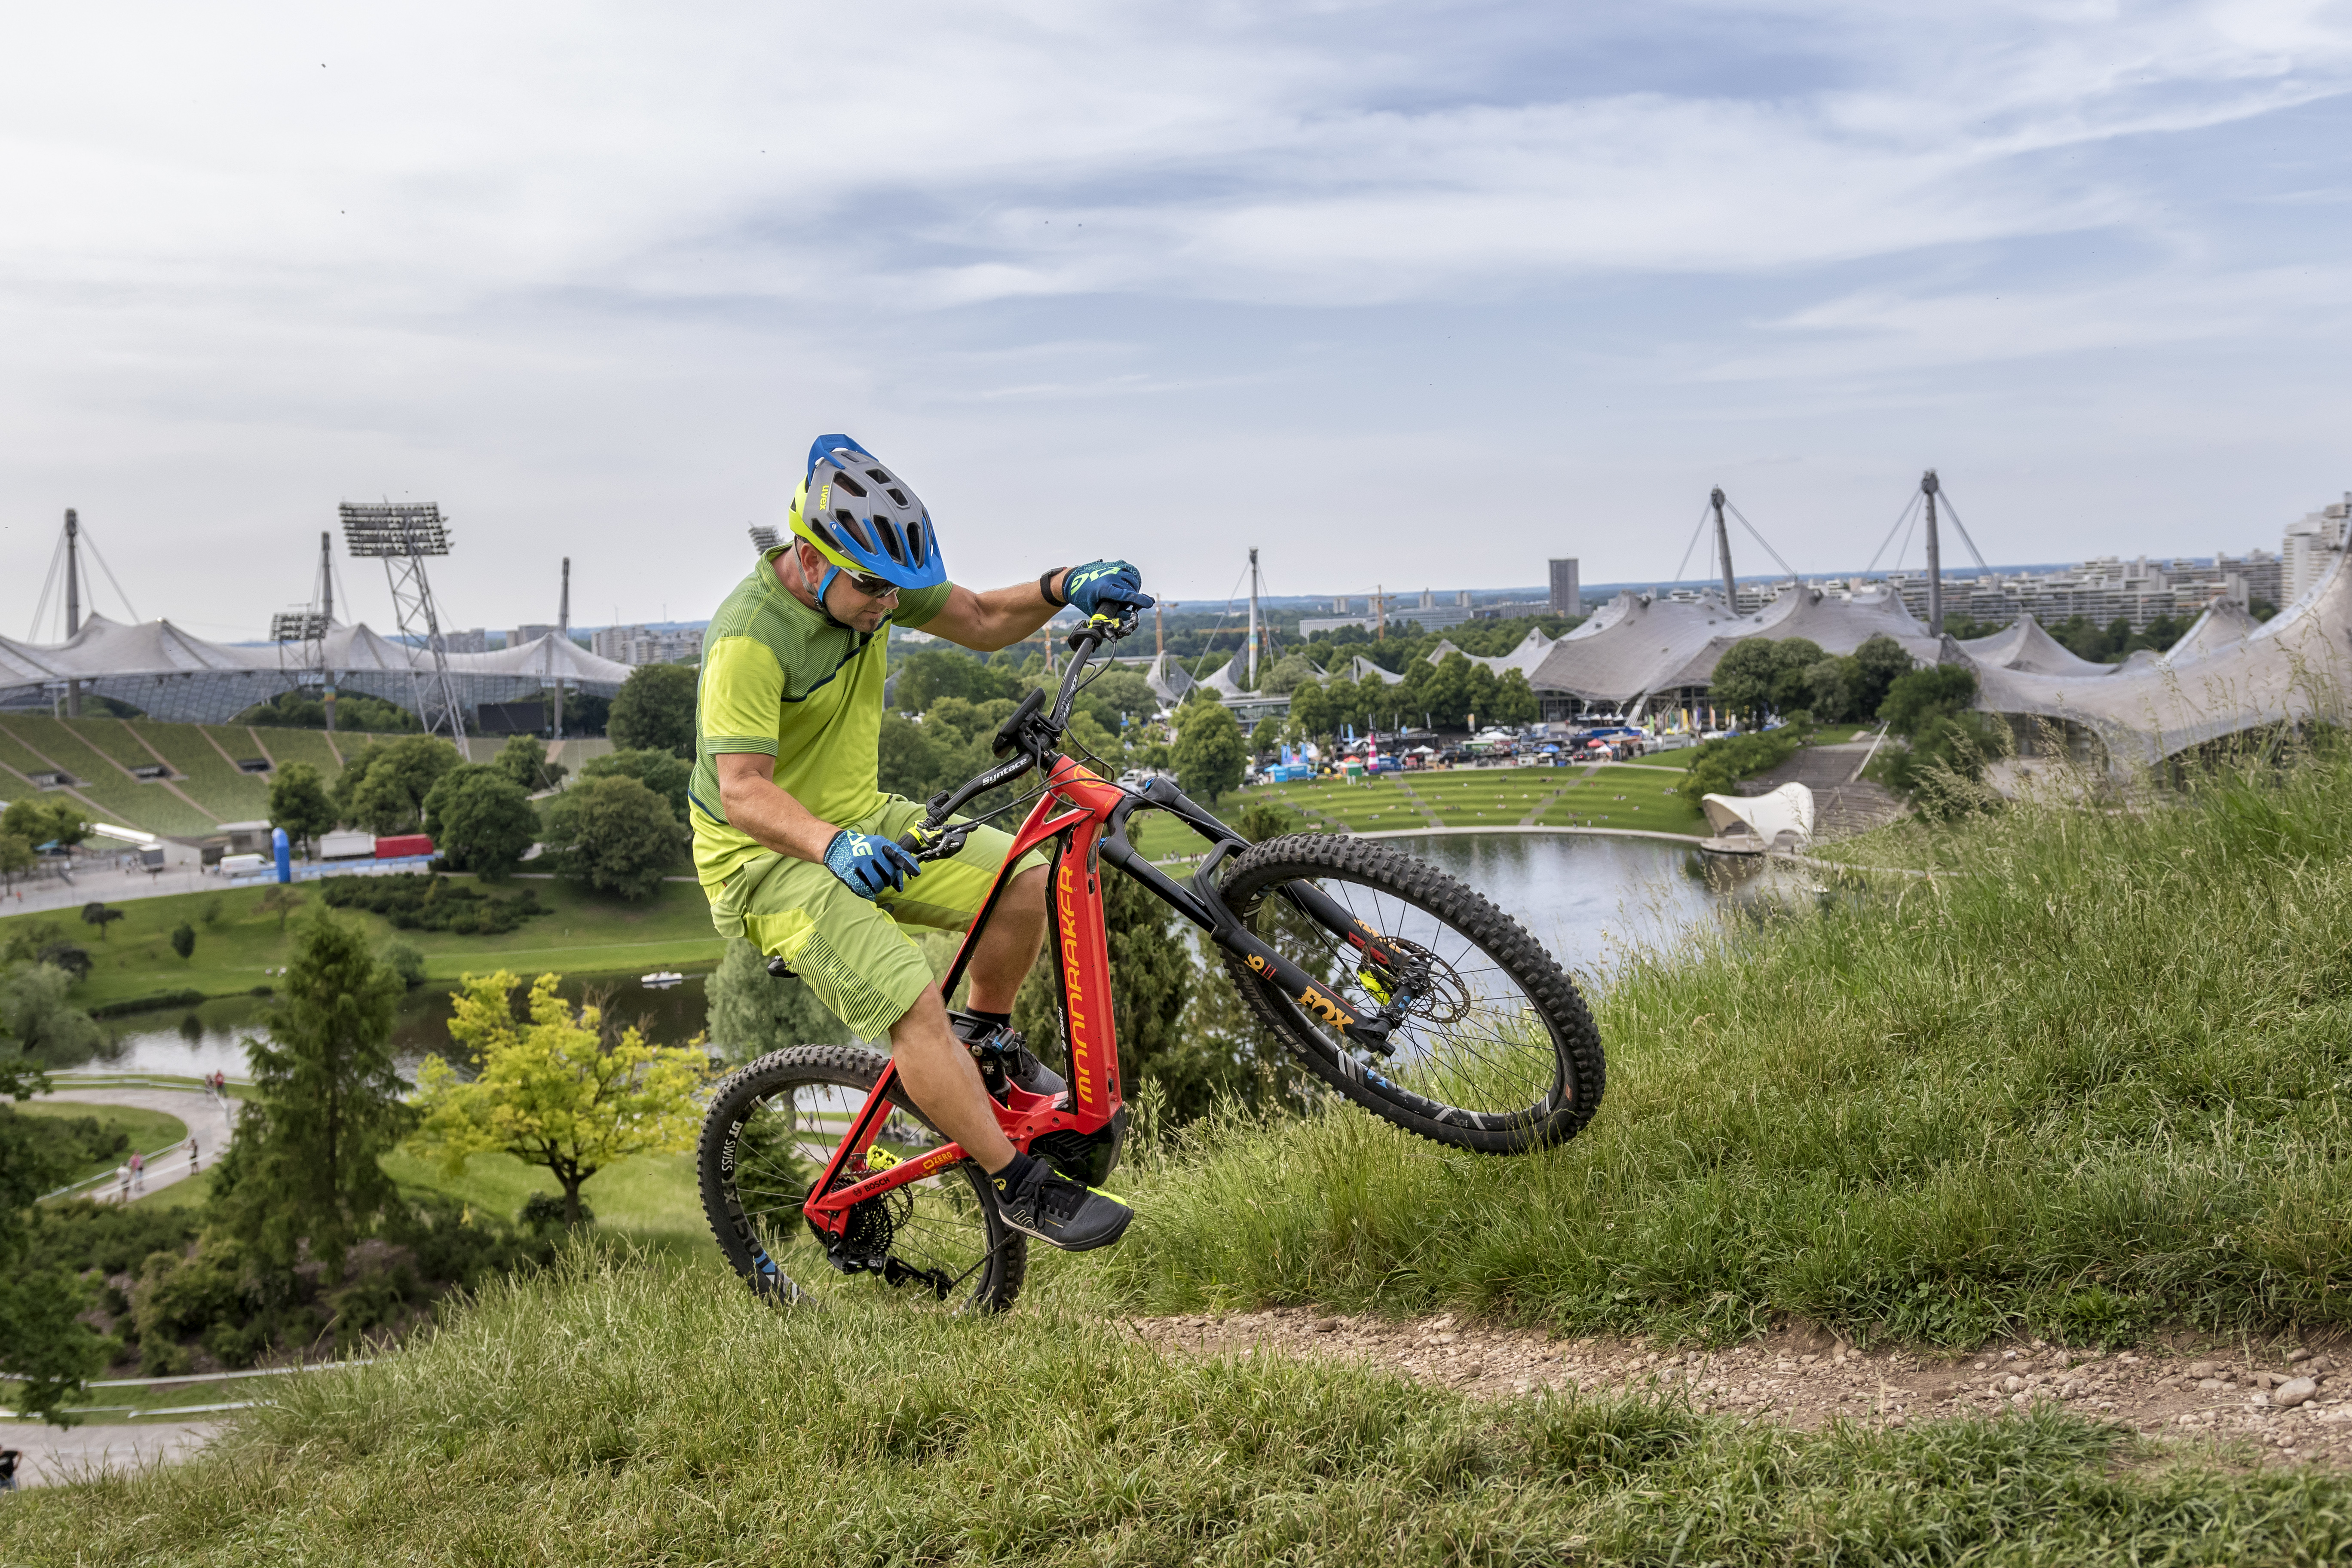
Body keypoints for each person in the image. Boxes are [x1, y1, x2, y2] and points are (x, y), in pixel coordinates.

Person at [694, 434, 1151, 1253]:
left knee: (1024, 878)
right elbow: (743, 792)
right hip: (765, 858)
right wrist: (833, 847)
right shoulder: (748, 639)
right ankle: (1020, 1187)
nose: (887, 606)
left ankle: (986, 1040)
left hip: (862, 816)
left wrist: (1062, 584)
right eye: (872, 588)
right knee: (911, 1002)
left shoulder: (872, 584)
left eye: (896, 590)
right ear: (809, 555)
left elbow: (977, 619)